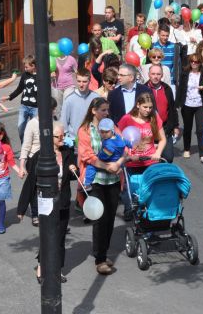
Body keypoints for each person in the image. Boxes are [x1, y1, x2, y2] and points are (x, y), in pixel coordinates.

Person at [77, 97, 127, 275]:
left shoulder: (113, 127)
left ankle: (103, 252)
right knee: (100, 218)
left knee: (110, 218)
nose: (106, 113)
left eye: (107, 110)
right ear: (93, 111)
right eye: (103, 110)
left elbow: (124, 149)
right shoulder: (85, 130)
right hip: (96, 179)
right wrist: (107, 166)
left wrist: (118, 163)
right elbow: (87, 156)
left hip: (113, 180)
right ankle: (100, 259)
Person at [34, 122, 77, 284]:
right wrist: (23, 207)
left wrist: (74, 168)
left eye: (64, 135)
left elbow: (73, 174)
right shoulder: (42, 155)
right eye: (59, 136)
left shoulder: (67, 152)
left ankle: (57, 270)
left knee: (59, 238)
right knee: (47, 236)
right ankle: (41, 265)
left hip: (63, 201)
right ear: (50, 137)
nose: (63, 138)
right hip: (47, 202)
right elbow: (32, 181)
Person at [17, 97, 57, 227]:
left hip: (51, 157)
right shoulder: (32, 123)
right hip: (35, 159)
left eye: (53, 109)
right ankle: (35, 214)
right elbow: (26, 146)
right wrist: (22, 165)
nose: (53, 112)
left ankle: (50, 212)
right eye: (51, 109)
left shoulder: (54, 121)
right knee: (34, 187)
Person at [175, 53, 203, 160]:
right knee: (187, 128)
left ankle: (202, 153)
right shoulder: (185, 73)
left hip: (200, 104)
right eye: (192, 61)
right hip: (187, 104)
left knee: (200, 130)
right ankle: (187, 149)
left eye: (197, 62)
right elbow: (180, 88)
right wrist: (177, 103)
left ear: (200, 63)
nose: (194, 64)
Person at [144, 65, 177, 163]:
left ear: (162, 75)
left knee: (168, 158)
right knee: (150, 159)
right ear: (149, 75)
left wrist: (175, 126)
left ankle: (164, 176)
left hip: (165, 128)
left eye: (158, 74)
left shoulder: (167, 89)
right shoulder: (143, 89)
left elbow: (172, 108)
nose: (155, 76)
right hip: (148, 130)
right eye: (153, 74)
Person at [82, 118, 127, 191]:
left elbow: (105, 155)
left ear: (112, 131)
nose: (104, 134)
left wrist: (99, 157)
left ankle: (87, 183)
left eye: (106, 132)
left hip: (106, 162)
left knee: (91, 167)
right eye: (102, 132)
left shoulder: (109, 143)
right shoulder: (117, 137)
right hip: (108, 170)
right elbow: (125, 142)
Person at [2, 55, 38, 143]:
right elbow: (19, 88)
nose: (25, 69)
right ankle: (24, 147)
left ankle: (34, 150)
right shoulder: (25, 75)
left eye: (27, 67)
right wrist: (9, 97)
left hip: (36, 108)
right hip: (24, 106)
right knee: (21, 129)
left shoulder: (40, 76)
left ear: (33, 66)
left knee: (36, 130)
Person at [60, 68, 100, 138]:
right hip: (75, 139)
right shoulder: (69, 99)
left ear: (89, 81)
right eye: (79, 81)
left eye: (84, 82)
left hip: (92, 138)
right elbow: (64, 121)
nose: (81, 84)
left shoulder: (96, 97)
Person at [52, 51, 78, 116]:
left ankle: (68, 120)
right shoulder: (53, 59)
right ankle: (59, 122)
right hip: (57, 86)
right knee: (57, 106)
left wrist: (79, 84)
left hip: (69, 85)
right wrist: (50, 73)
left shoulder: (71, 59)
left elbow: (77, 71)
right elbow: (47, 70)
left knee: (67, 103)